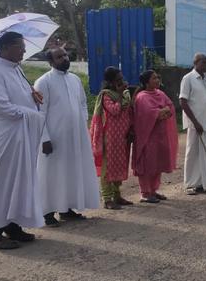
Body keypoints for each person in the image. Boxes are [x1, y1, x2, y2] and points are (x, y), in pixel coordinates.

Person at [0, 32, 45, 249]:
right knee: (1, 181)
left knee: (20, 180)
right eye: (20, 46)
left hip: (22, 135)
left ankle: (13, 225)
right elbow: (1, 106)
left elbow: (20, 99)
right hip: (6, 136)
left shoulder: (17, 70)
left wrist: (32, 97)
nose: (24, 50)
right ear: (6, 48)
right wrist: (32, 114)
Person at [35, 47, 100, 227]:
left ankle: (66, 209)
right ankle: (47, 212)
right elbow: (39, 113)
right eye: (59, 57)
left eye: (65, 55)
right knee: (51, 175)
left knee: (70, 172)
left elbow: (82, 103)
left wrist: (82, 123)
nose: (64, 58)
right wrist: (44, 138)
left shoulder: (75, 79)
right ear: (50, 62)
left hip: (75, 136)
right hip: (54, 138)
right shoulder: (43, 82)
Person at [90, 67, 133, 209]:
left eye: (122, 78)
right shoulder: (106, 95)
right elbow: (114, 110)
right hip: (110, 137)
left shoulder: (125, 93)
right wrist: (120, 95)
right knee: (107, 167)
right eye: (118, 79)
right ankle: (107, 199)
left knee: (119, 165)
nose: (121, 81)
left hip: (122, 136)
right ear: (111, 81)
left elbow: (129, 112)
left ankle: (117, 195)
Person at [132, 70, 178, 203]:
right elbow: (147, 114)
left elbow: (170, 106)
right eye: (154, 78)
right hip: (148, 136)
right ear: (147, 82)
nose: (157, 80)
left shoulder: (160, 94)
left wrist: (163, 111)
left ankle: (153, 190)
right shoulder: (142, 97)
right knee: (148, 164)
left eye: (158, 77)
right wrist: (160, 112)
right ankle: (145, 193)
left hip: (160, 135)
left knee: (158, 163)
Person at [179, 53, 206, 194]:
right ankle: (191, 184)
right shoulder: (188, 78)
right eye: (203, 62)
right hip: (195, 124)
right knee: (193, 153)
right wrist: (195, 122)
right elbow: (183, 101)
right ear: (195, 62)